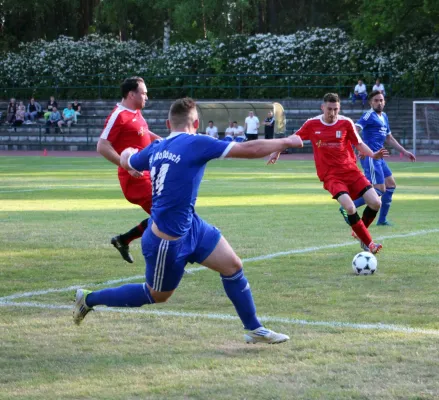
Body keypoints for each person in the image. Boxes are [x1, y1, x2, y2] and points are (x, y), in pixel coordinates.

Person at [73, 97, 303, 344]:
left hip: (191, 226)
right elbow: (247, 149)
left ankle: (254, 329)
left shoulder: (157, 147)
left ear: (167, 123)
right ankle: (88, 298)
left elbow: (129, 160)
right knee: (156, 295)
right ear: (196, 122)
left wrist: (127, 155)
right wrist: (287, 141)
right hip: (166, 240)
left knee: (233, 266)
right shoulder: (196, 142)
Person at [268, 92, 387, 254]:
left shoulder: (346, 123)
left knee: (376, 202)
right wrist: (277, 151)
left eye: (336, 109)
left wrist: (373, 155)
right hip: (331, 176)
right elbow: (293, 138)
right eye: (329, 109)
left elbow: (358, 144)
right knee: (350, 207)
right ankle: (369, 244)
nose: (332, 113)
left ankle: (358, 232)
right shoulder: (312, 124)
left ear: (339, 108)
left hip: (352, 172)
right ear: (323, 107)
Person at [97, 76, 163, 264]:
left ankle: (123, 240)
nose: (146, 97)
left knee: (165, 215)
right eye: (143, 93)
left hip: (148, 175)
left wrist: (164, 142)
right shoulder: (118, 114)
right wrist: (125, 165)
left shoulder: (136, 112)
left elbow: (143, 133)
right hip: (135, 179)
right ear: (131, 94)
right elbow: (102, 146)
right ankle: (168, 260)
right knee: (167, 215)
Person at [339, 90, 416, 226]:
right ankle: (348, 207)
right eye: (376, 100)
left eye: (381, 100)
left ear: (384, 102)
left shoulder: (384, 116)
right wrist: (360, 148)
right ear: (370, 102)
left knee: (391, 185)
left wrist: (404, 151)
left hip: (379, 157)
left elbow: (389, 138)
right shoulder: (368, 115)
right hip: (370, 157)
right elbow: (354, 130)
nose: (379, 103)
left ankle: (382, 220)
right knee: (379, 189)